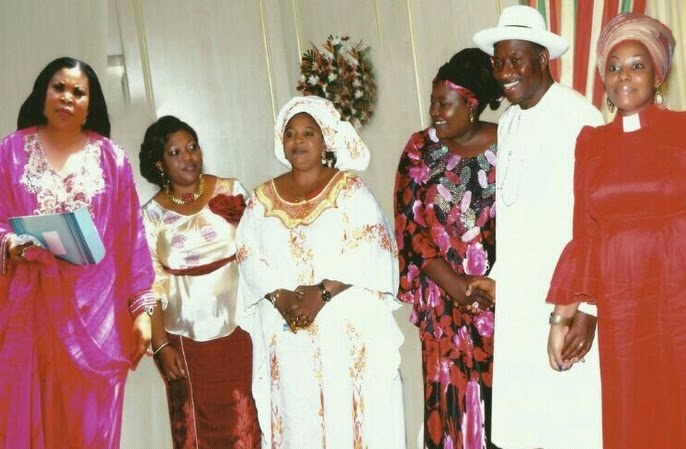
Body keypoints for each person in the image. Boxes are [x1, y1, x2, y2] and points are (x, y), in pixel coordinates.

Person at [546, 12, 686, 449]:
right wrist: (563, 317)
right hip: (626, 306)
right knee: (637, 414)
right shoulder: (592, 144)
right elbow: (585, 234)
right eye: (613, 66)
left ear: (658, 74)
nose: (623, 75)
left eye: (637, 65)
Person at [0, 57, 156, 449]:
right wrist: (11, 244)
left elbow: (131, 240)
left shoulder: (112, 158)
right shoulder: (10, 151)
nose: (67, 97)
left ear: (91, 104)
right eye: (58, 87)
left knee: (91, 428)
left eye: (78, 92)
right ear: (43, 93)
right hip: (31, 314)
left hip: (97, 321)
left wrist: (142, 312)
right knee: (33, 420)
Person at [236, 95, 405, 449]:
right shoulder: (261, 199)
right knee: (298, 422)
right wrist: (280, 297)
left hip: (343, 331)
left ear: (325, 139)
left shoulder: (350, 190)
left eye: (308, 133)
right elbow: (248, 253)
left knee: (349, 419)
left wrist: (321, 293)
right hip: (288, 333)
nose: (298, 141)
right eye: (291, 134)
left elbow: (371, 243)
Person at [473, 5, 605, 448]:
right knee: (527, 430)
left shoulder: (578, 117)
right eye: (498, 62)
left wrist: (589, 310)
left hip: (566, 302)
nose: (504, 72)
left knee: (571, 425)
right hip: (519, 305)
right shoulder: (509, 122)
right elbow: (517, 215)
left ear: (542, 59)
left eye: (516, 60)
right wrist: (496, 279)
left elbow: (598, 222)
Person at [394, 47, 502, 449]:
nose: (434, 112)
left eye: (444, 103)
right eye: (432, 102)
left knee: (501, 411)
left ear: (471, 104)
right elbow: (409, 227)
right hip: (442, 305)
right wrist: (454, 284)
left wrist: (492, 284)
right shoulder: (420, 149)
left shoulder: (509, 143)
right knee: (451, 408)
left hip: (499, 300)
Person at [138, 115, 261, 448]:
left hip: (241, 330)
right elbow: (148, 285)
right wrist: (160, 346)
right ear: (159, 164)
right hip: (183, 343)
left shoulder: (231, 191)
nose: (188, 157)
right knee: (195, 431)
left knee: (244, 425)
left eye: (192, 147)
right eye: (175, 152)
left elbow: (259, 252)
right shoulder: (149, 216)